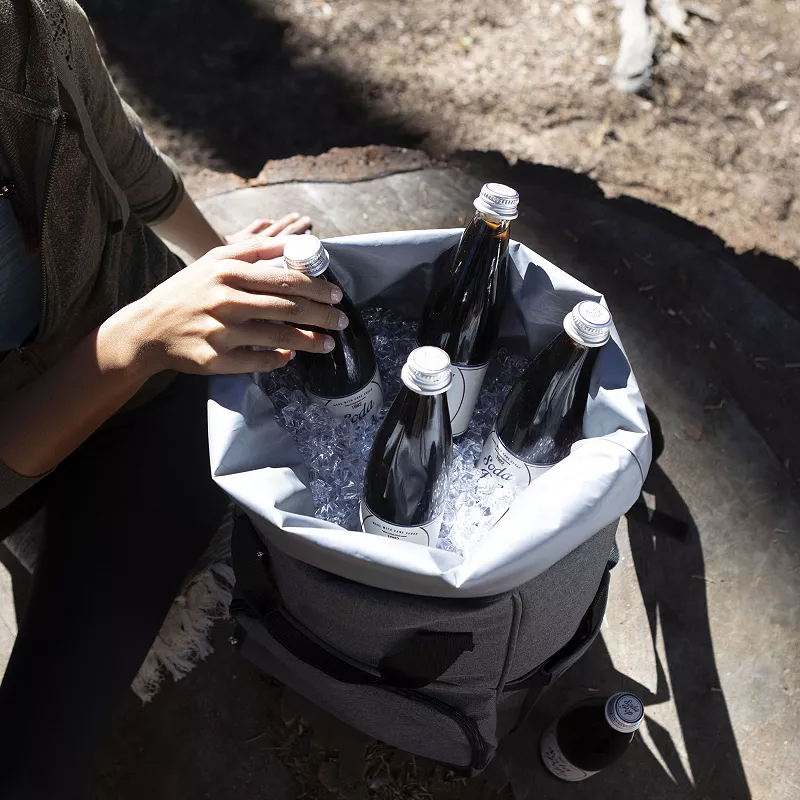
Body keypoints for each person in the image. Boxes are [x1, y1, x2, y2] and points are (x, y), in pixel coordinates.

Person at [0, 1, 347, 796]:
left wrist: (224, 269)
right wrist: (134, 343)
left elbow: (119, 152)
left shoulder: (24, 18)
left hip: (145, 411)